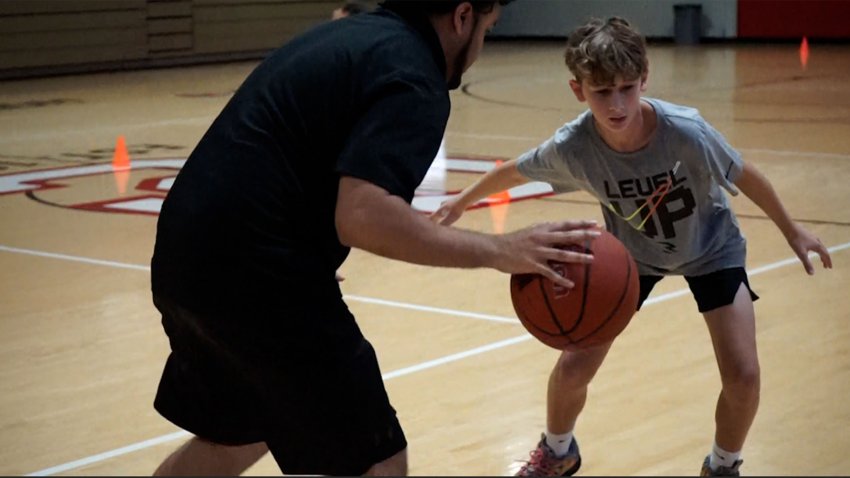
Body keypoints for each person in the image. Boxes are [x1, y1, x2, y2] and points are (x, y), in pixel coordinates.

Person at [150, 1, 601, 476]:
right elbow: (363, 215)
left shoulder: (352, 37)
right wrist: (501, 250)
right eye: (489, 28)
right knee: (378, 461)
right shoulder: (414, 74)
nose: (482, 45)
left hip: (185, 252)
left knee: (239, 433)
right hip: (259, 268)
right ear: (463, 17)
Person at [431, 16, 833, 477]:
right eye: (602, 92)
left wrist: (792, 229)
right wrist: (461, 202)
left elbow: (743, 173)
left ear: (645, 79)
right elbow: (516, 171)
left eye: (627, 88)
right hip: (631, 259)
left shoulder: (686, 131)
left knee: (744, 375)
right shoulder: (575, 145)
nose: (617, 103)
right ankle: (559, 451)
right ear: (578, 90)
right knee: (572, 369)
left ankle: (723, 467)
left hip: (712, 249)